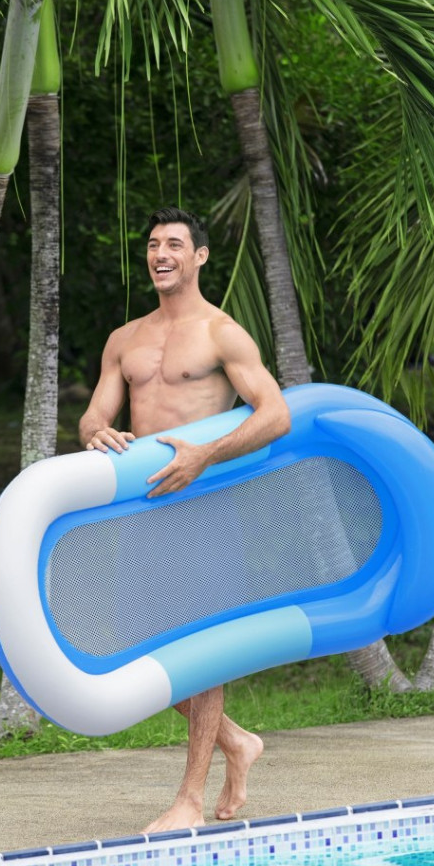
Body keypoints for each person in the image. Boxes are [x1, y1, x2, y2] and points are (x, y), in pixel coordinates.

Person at [79, 206, 291, 833]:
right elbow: (95, 415)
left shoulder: (223, 334)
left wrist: (205, 454)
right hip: (146, 513)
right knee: (139, 655)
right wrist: (94, 432)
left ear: (199, 256)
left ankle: (189, 800)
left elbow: (275, 414)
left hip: (206, 512)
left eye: (174, 244)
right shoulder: (124, 340)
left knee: (202, 653)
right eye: (153, 244)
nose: (160, 254)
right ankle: (237, 742)